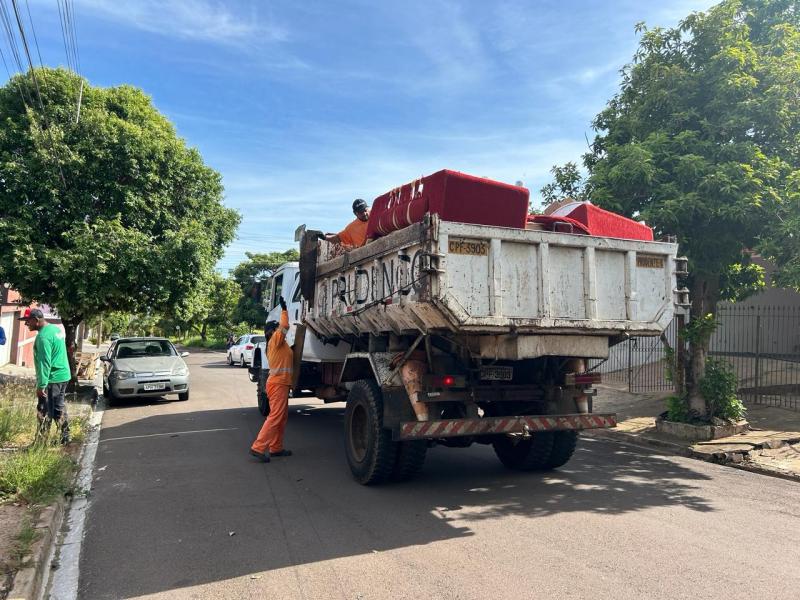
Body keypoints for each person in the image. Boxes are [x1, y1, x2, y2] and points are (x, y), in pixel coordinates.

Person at [250, 296, 293, 462]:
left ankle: (276, 448)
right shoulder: (275, 340)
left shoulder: (277, 345)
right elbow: (285, 326)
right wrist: (284, 310)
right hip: (278, 383)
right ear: (271, 332)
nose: (279, 331)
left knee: (281, 417)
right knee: (276, 416)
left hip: (280, 383)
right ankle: (258, 447)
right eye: (276, 329)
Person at [20, 308, 72, 444]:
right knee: (58, 408)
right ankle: (65, 437)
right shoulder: (55, 330)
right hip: (63, 375)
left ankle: (40, 444)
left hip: (52, 378)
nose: (26, 324)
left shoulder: (43, 337)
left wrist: (41, 385)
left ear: (36, 321)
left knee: (44, 410)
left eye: (28, 321)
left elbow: (45, 363)